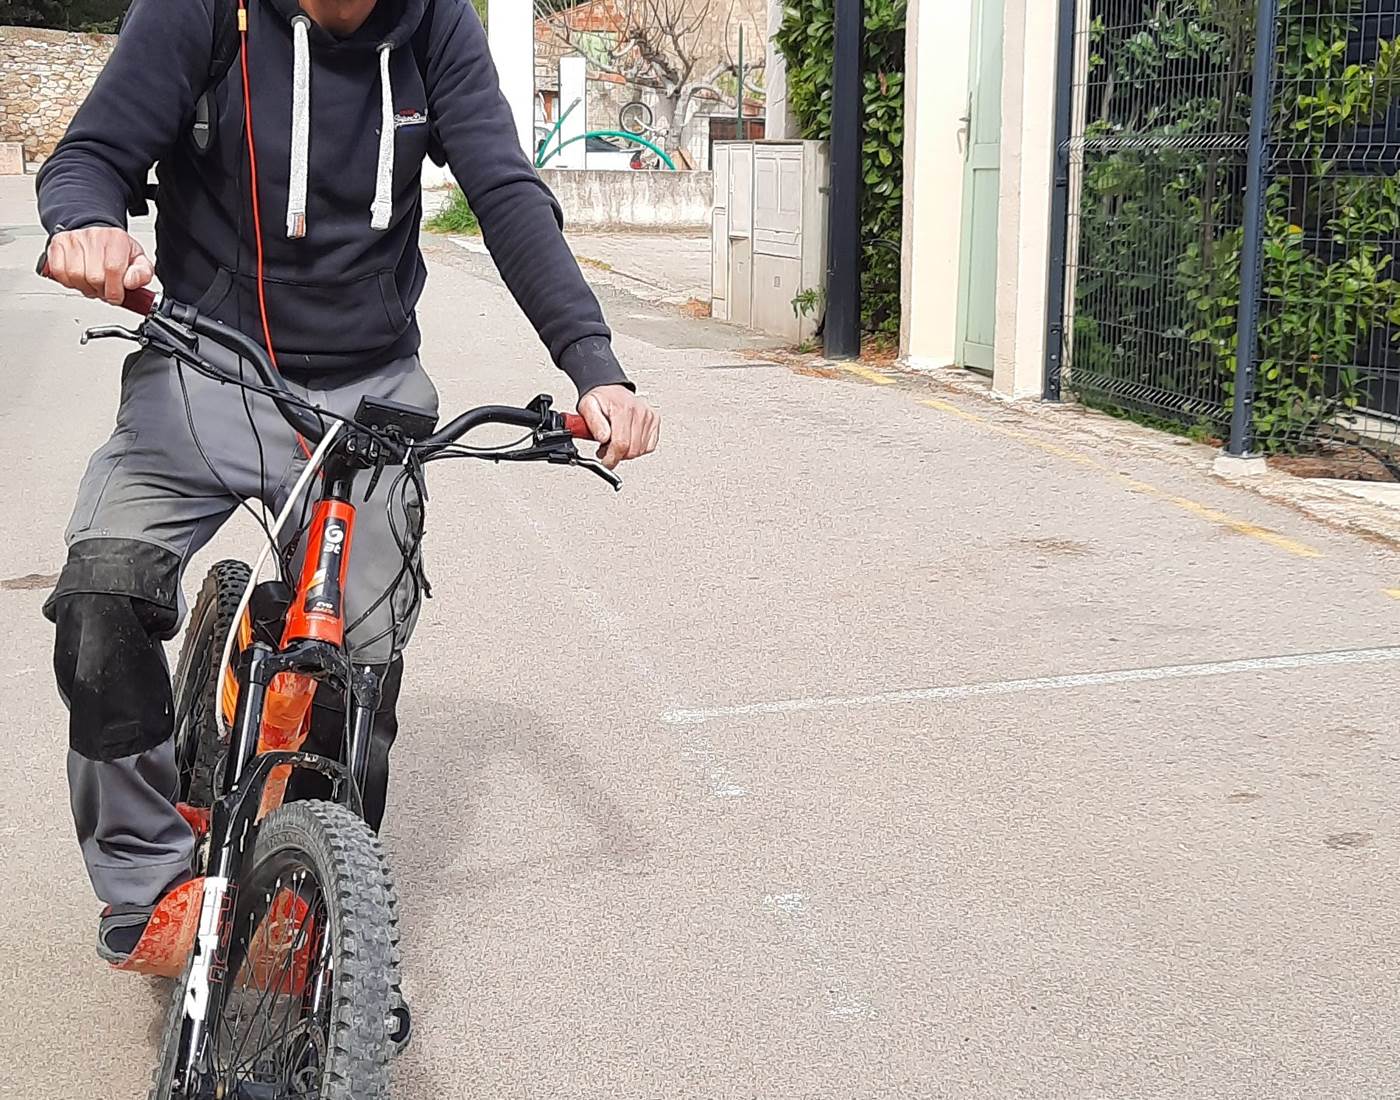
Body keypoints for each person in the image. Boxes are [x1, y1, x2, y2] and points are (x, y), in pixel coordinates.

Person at [38, 0, 659, 962]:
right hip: (206, 361)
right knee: (100, 604)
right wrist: (87, 226)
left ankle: (312, 890)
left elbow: (504, 190)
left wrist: (595, 364)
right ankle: (145, 882)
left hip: (368, 387)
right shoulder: (204, 12)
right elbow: (90, 157)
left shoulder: (435, 27)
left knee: (358, 663)